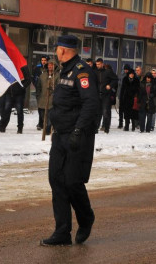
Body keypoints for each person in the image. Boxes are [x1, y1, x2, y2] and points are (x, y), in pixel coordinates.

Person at [40, 35, 100, 247]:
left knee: (72, 182)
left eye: (57, 48)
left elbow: (91, 103)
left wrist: (78, 130)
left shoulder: (82, 71)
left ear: (63, 50)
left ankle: (86, 218)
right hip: (61, 134)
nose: (56, 52)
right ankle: (62, 232)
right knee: (56, 180)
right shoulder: (64, 69)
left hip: (77, 136)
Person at [0, 65, 31, 133]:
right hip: (9, 92)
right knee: (6, 110)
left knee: (19, 111)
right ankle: (2, 126)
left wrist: (22, 87)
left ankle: (20, 128)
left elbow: (28, 79)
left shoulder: (23, 66)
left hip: (19, 94)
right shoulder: (8, 64)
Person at [95, 58, 118, 134]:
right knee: (97, 112)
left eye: (99, 64)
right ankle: (96, 128)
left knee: (106, 112)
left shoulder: (108, 72)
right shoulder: (95, 72)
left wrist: (110, 85)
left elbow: (115, 79)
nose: (97, 66)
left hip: (106, 95)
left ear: (102, 64)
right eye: (96, 64)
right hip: (98, 95)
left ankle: (106, 128)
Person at [37, 61, 58, 134]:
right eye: (49, 65)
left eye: (52, 65)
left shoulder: (57, 76)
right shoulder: (42, 76)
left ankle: (48, 129)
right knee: (42, 115)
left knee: (50, 116)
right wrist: (38, 96)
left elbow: (58, 87)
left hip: (52, 100)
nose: (50, 66)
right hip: (42, 99)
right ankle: (46, 126)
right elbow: (38, 87)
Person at [117, 65, 131, 129]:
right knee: (121, 110)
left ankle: (127, 123)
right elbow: (118, 85)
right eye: (125, 69)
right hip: (121, 95)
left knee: (127, 110)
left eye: (127, 69)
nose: (126, 71)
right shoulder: (121, 75)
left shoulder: (131, 75)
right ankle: (120, 123)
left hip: (128, 96)